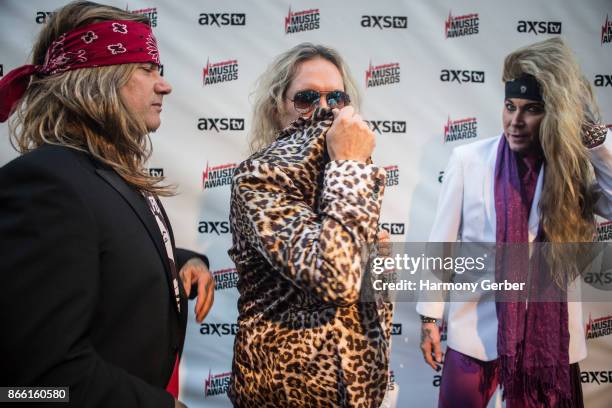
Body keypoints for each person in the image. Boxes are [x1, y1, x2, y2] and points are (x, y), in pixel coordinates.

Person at [0, 2, 214, 407]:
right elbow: (43, 379)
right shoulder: (46, 185)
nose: (163, 85)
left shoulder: (107, 172)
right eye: (147, 70)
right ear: (99, 80)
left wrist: (180, 260)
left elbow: (100, 249)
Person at [417, 37, 612, 408]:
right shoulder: (468, 160)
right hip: (476, 330)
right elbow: (441, 245)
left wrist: (596, 143)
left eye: (532, 109)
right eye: (510, 106)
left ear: (552, 114)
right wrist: (430, 316)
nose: (515, 121)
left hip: (549, 343)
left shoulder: (569, 171)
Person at [227, 43, 393, 407]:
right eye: (306, 98)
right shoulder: (259, 177)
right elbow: (337, 278)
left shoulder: (344, 170)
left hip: (356, 395)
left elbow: (370, 300)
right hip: (286, 394)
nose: (323, 109)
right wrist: (349, 165)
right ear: (276, 110)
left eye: (336, 97)